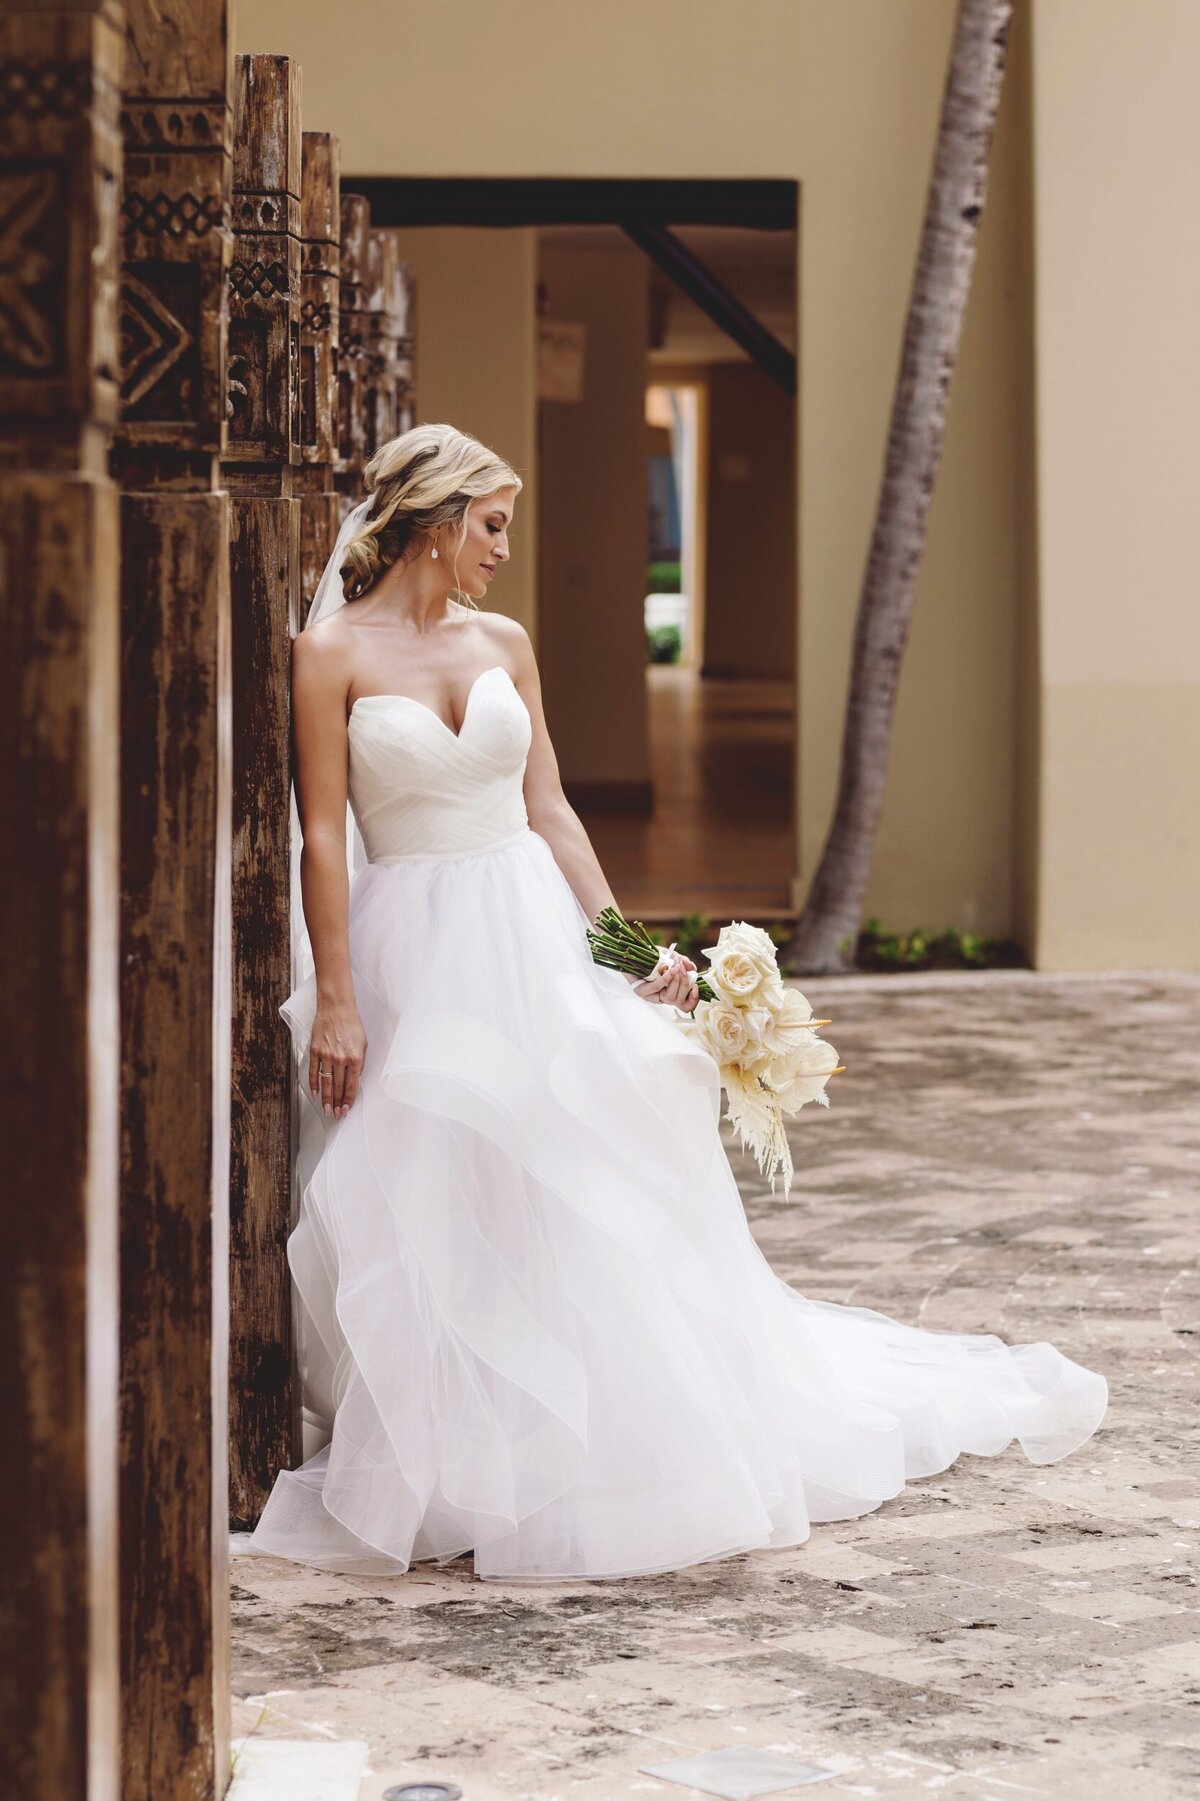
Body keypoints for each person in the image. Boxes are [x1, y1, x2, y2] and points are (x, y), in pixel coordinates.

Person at [245, 422, 1107, 1581]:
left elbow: (550, 809)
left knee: (573, 1162)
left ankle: (587, 1438)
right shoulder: (330, 652)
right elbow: (318, 835)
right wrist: (338, 994)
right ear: (438, 520)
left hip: (528, 931)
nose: (503, 548)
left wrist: (622, 945)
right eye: (492, 525)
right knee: (433, 1179)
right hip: (415, 947)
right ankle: (455, 1455)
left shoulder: (506, 640)